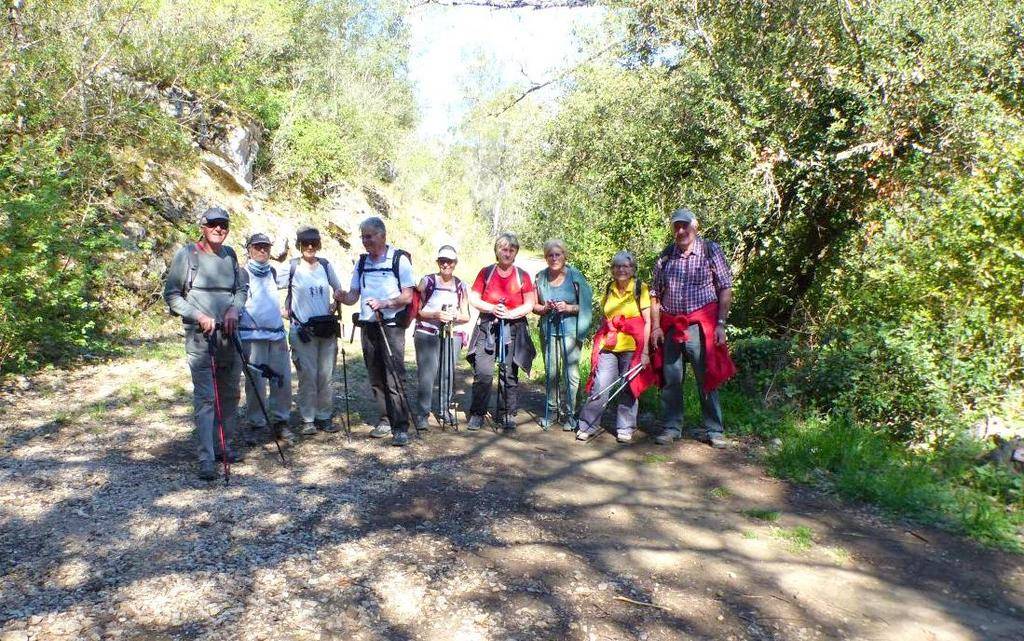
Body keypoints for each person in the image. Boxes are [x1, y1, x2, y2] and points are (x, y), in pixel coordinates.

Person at [163, 206, 249, 480]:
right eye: (213, 224)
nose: (219, 229)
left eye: (223, 224)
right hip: (201, 338)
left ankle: (224, 446)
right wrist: (198, 315)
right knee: (206, 397)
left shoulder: (230, 255)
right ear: (202, 226)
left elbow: (240, 289)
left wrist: (236, 309)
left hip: (229, 335)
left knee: (230, 395)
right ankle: (206, 458)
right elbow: (173, 295)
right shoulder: (187, 255)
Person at [650, 207, 737, 448]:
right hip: (671, 326)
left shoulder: (711, 251)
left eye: (684, 225)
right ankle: (671, 427)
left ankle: (714, 429)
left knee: (706, 376)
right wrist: (656, 327)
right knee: (671, 379)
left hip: (701, 326)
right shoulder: (666, 256)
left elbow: (725, 288)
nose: (680, 230)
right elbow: (655, 294)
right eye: (676, 226)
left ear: (695, 226)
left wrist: (721, 324)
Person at [336, 216, 416, 446]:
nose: (365, 241)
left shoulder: (399, 259)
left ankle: (400, 426)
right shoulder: (361, 263)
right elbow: (353, 296)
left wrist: (384, 303)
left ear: (383, 235)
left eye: (369, 236)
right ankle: (385, 418)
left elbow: (407, 296)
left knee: (394, 376)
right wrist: (342, 297)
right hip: (368, 325)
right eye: (363, 237)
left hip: (390, 326)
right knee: (375, 376)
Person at [576, 251, 654, 443]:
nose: (621, 270)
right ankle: (588, 425)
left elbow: (647, 322)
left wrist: (646, 352)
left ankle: (625, 427)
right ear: (612, 269)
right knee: (600, 385)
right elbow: (606, 317)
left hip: (632, 347)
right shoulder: (609, 288)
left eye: (626, 266)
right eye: (617, 266)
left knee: (628, 387)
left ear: (633, 269)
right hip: (610, 346)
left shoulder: (640, 288)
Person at [466, 233, 537, 433]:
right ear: (497, 251)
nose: (507, 253)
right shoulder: (486, 273)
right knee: (483, 372)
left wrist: (511, 313)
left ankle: (507, 413)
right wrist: (492, 308)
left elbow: (530, 303)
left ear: (516, 253)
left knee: (509, 373)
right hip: (488, 326)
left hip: (513, 328)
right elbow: (474, 298)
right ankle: (478, 413)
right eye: (504, 249)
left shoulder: (522, 276)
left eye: (511, 250)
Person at [281, 225, 345, 435]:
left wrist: (337, 300)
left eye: (314, 243)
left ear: (319, 244)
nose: (310, 246)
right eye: (306, 242)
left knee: (325, 375)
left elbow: (338, 289)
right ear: (299, 244)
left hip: (326, 329)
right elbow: (269, 288)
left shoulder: (325, 266)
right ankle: (308, 418)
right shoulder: (291, 267)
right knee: (307, 375)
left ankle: (324, 416)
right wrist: (283, 311)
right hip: (303, 331)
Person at [238, 232, 294, 444]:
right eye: (257, 246)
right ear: (249, 249)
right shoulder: (242, 273)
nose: (262, 250)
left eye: (266, 247)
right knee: (256, 383)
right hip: (251, 336)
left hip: (276, 334)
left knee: (282, 379)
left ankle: (281, 421)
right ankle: (257, 424)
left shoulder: (272, 271)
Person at [532, 239, 592, 431]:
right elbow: (534, 306)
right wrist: (545, 308)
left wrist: (568, 307)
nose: (554, 258)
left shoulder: (575, 276)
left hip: (571, 330)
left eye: (558, 254)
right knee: (551, 372)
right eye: (550, 255)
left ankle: (572, 413)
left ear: (565, 256)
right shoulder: (540, 277)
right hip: (549, 329)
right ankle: (551, 411)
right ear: (546, 257)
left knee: (571, 373)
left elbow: (587, 305)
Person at [413, 245, 470, 430]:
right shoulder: (427, 281)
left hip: (452, 333)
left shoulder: (460, 285)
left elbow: (466, 315)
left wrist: (453, 317)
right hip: (427, 333)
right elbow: (418, 311)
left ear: (455, 263)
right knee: (426, 375)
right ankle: (422, 413)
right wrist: (436, 315)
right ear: (438, 262)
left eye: (450, 261)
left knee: (448, 373)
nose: (446, 264)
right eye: (442, 261)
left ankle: (444, 410)